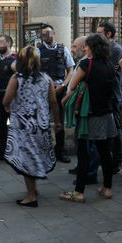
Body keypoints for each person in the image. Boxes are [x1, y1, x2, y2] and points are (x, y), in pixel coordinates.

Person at [60, 33, 117, 203]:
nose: (84, 48)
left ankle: (79, 192)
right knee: (105, 152)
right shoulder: (109, 64)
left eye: (86, 46)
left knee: (83, 153)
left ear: (91, 47)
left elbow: (73, 85)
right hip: (106, 114)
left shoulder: (87, 63)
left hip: (89, 116)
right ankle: (107, 189)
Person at [3, 46, 61, 207]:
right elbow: (53, 102)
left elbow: (6, 100)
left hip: (23, 125)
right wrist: (57, 122)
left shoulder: (16, 78)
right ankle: (34, 190)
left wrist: (8, 107)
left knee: (27, 160)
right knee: (36, 157)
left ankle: (31, 196)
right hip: (41, 125)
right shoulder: (46, 78)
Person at [38, 24, 75, 163]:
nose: (45, 36)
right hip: (43, 91)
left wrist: (63, 85)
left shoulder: (63, 49)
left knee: (59, 121)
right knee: (43, 121)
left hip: (60, 89)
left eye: (47, 33)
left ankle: (60, 151)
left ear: (54, 33)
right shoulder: (38, 51)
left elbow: (70, 70)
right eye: (43, 34)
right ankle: (44, 152)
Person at [67, 36, 100, 186]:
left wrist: (66, 97)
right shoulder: (83, 62)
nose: (72, 50)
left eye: (75, 46)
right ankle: (82, 168)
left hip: (86, 109)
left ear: (84, 47)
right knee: (80, 141)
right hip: (82, 107)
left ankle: (90, 173)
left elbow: (74, 85)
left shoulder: (88, 63)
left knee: (88, 143)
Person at [97, 21, 122, 174]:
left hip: (114, 95)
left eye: (100, 32)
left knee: (116, 130)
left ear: (108, 34)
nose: (97, 34)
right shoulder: (102, 49)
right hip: (104, 94)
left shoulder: (116, 49)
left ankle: (117, 161)